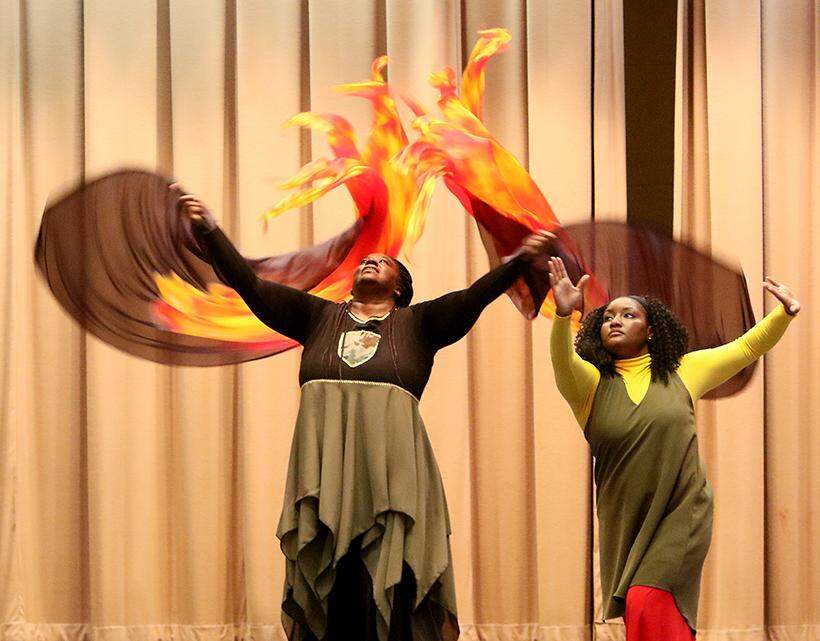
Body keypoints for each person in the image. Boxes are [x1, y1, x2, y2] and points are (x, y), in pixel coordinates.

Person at [177, 192, 556, 641]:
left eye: (382, 261)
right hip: (324, 484)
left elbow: (474, 296)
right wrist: (209, 231)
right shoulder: (316, 317)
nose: (369, 263)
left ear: (400, 286)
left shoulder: (420, 325)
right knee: (335, 595)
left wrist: (518, 262)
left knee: (392, 587)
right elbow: (250, 285)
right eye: (364, 262)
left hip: (394, 487)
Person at [545, 256, 800, 640]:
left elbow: (746, 348)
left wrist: (784, 313)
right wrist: (563, 318)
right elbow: (562, 361)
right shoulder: (590, 385)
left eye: (629, 315)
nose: (615, 320)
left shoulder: (684, 371)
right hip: (626, 517)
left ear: (650, 331)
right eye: (609, 316)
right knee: (640, 607)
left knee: (648, 598)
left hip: (683, 508)